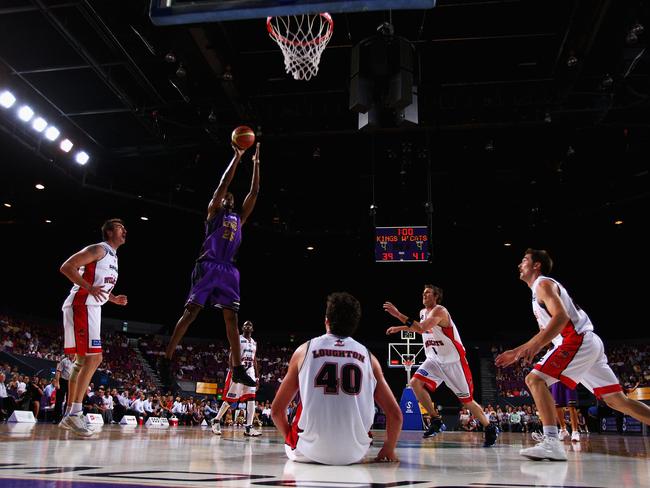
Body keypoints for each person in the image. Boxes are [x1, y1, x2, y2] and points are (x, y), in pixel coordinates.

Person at [496, 248, 650, 461]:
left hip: (576, 340)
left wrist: (536, 345)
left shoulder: (543, 284)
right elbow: (546, 331)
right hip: (588, 342)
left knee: (534, 379)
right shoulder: (538, 292)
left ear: (536, 265)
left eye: (524, 260)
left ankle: (552, 442)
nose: (519, 265)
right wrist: (518, 351)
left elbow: (561, 318)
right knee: (617, 401)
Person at [159, 143, 261, 389]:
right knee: (191, 312)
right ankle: (166, 359)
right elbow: (223, 184)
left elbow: (254, 193)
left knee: (232, 320)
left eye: (230, 197)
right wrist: (237, 158)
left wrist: (256, 165)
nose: (227, 197)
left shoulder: (240, 218)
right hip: (208, 265)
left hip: (229, 269)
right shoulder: (213, 213)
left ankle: (237, 368)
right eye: (224, 195)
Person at [271, 292, 402, 465]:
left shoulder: (304, 350)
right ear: (355, 324)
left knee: (305, 401)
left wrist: (290, 437)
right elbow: (395, 415)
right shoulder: (370, 358)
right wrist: (389, 447)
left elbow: (276, 411)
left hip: (307, 453)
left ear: (326, 320)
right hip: (355, 454)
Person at [384, 285, 499, 447]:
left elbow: (422, 327)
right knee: (415, 383)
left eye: (428, 292)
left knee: (467, 401)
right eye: (423, 292)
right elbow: (422, 330)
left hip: (453, 362)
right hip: (434, 360)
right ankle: (436, 420)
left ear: (436, 296)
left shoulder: (440, 311)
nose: (424, 294)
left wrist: (397, 315)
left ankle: (489, 427)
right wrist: (400, 328)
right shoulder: (423, 313)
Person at [58, 218, 128, 436]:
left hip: (92, 307)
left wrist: (112, 298)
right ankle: (74, 414)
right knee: (93, 358)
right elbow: (67, 267)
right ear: (108, 233)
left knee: (81, 363)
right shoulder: (98, 249)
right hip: (82, 304)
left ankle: (70, 414)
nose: (124, 230)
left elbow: (100, 286)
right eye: (119, 227)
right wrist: (88, 287)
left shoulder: (114, 257)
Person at [210, 320, 261, 436]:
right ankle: (216, 420)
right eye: (245, 325)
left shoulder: (254, 343)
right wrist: (232, 370)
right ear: (242, 328)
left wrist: (257, 377)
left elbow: (254, 359)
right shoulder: (237, 338)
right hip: (239, 369)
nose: (248, 326)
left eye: (250, 325)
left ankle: (249, 427)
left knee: (252, 398)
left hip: (250, 371)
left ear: (252, 329)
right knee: (230, 400)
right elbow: (231, 354)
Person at [54, 354, 74, 423]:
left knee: (69, 401)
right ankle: (56, 418)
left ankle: (65, 418)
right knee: (59, 400)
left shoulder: (76, 362)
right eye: (72, 353)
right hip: (62, 381)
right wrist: (57, 382)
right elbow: (58, 372)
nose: (74, 354)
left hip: (71, 383)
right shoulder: (64, 361)